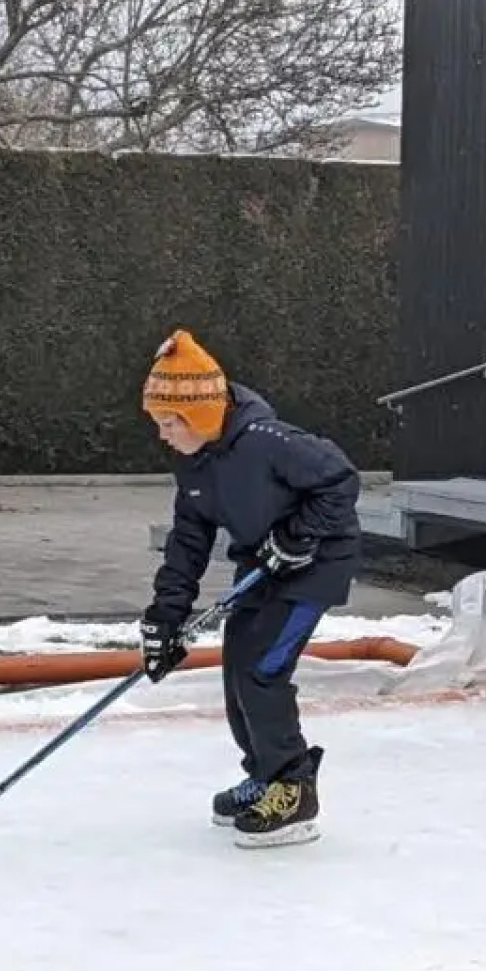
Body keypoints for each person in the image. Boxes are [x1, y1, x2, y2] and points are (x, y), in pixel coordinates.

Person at [137, 328, 362, 848]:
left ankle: (294, 790)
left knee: (263, 668)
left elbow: (340, 481)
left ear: (198, 417)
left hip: (315, 564)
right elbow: (188, 543)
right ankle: (264, 774)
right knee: (238, 664)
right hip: (264, 563)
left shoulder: (268, 442)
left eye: (169, 422)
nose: (163, 433)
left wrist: (297, 536)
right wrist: (164, 620)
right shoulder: (194, 462)